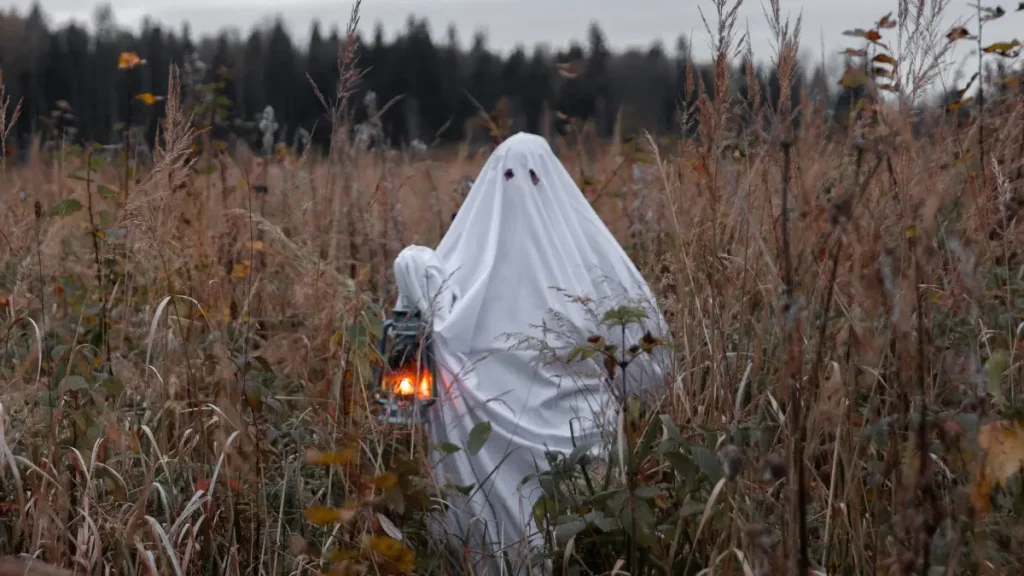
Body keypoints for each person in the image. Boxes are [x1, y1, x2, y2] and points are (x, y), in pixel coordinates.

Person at [393, 132, 670, 575]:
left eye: (531, 178)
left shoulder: (460, 278)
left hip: (545, 455)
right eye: (509, 178)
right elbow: (646, 365)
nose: (520, 191)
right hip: (579, 447)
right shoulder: (587, 269)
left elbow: (431, 338)